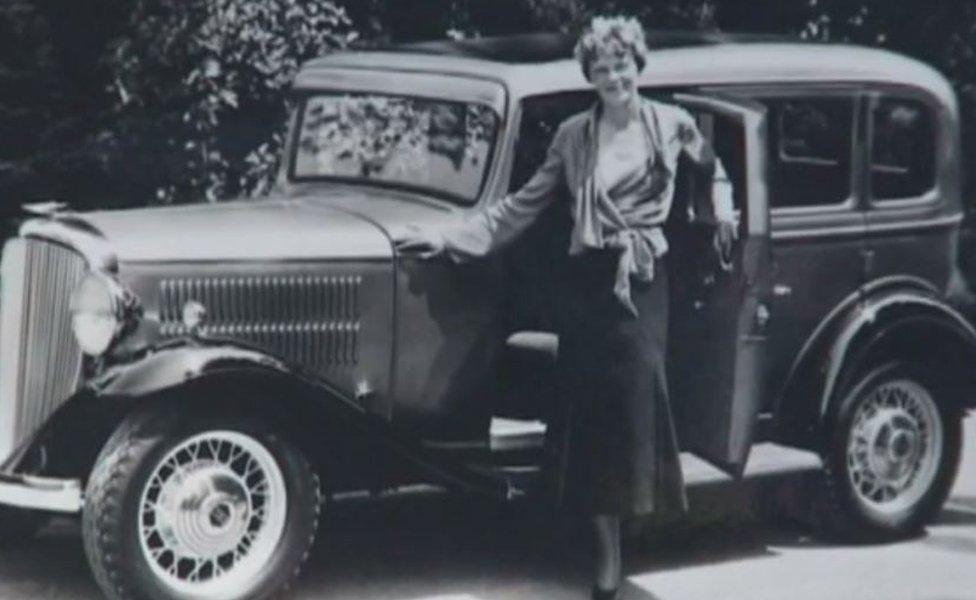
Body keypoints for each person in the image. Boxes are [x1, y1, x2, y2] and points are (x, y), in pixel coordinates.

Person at [395, 16, 736, 600]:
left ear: (637, 65)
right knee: (596, 417)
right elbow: (520, 207)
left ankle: (642, 527)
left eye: (620, 65)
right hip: (589, 285)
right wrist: (452, 238)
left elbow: (715, 168)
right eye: (600, 69)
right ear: (590, 76)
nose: (612, 77)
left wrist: (724, 210)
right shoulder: (574, 137)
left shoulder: (674, 126)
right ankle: (607, 553)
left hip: (644, 281)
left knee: (635, 401)